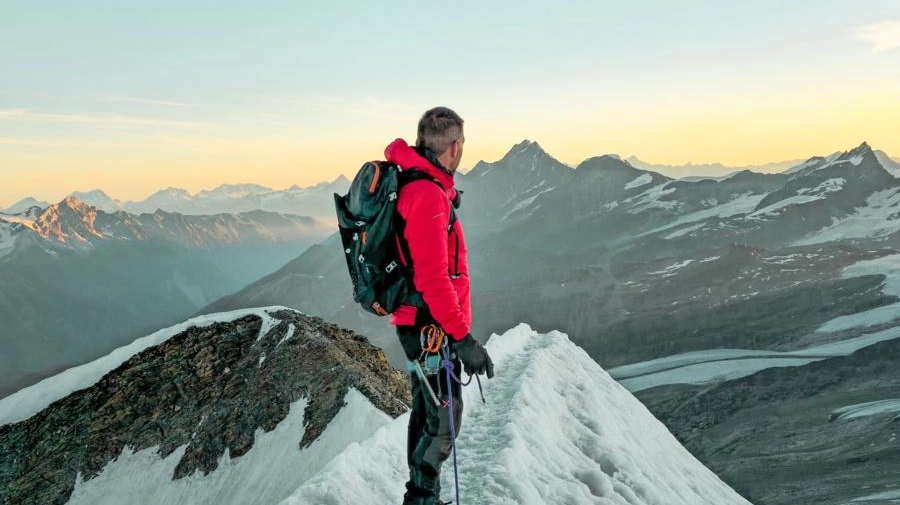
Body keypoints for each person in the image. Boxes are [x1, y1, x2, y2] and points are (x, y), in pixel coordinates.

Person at [384, 106, 494, 505]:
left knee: (429, 414)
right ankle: (422, 500)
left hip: (422, 323)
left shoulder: (418, 186)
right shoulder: (428, 195)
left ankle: (424, 497)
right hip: (430, 327)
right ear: (455, 146)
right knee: (445, 422)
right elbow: (434, 279)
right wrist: (463, 338)